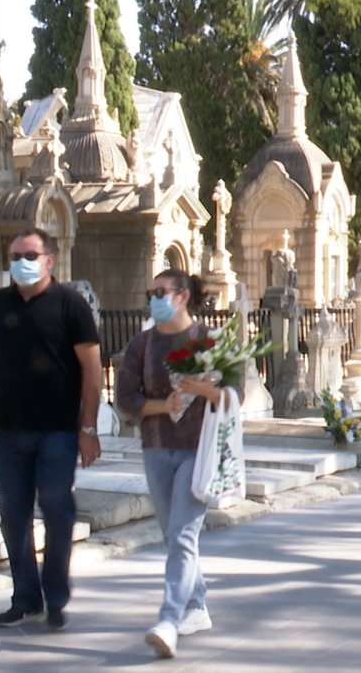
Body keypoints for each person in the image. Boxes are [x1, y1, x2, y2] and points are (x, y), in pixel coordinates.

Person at [0, 228, 103, 631]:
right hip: (8, 430)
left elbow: (92, 369)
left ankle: (56, 595)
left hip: (58, 432)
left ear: (49, 260)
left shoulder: (70, 305)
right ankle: (25, 597)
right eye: (14, 256)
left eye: (29, 254)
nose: (21, 263)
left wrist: (88, 426)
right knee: (13, 516)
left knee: (58, 511)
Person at [115, 269, 238, 659]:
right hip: (155, 448)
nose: (154, 297)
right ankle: (197, 605)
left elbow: (235, 395)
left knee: (184, 535)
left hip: (198, 451)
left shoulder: (210, 341)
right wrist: (160, 405)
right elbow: (124, 397)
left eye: (161, 291)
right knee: (172, 534)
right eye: (151, 291)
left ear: (182, 296)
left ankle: (169, 619)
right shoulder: (142, 344)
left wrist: (204, 389)